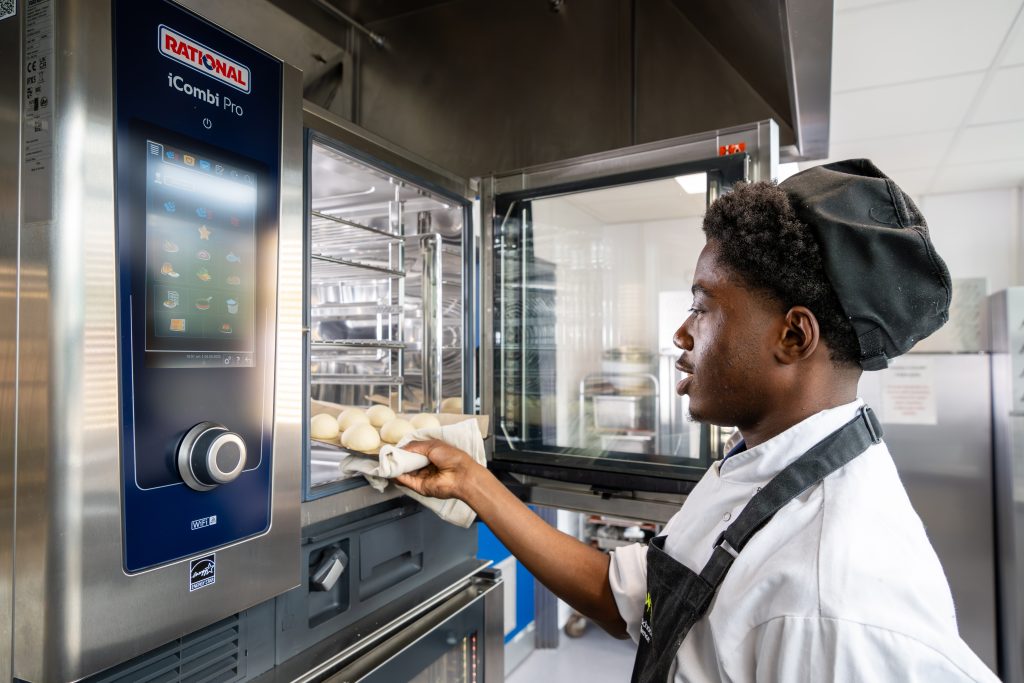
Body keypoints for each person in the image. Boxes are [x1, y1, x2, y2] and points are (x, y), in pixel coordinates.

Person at [396, 160, 999, 682]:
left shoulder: (829, 598)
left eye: (702, 307)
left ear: (793, 336)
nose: (681, 335)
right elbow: (630, 600)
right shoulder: (760, 467)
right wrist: (473, 482)